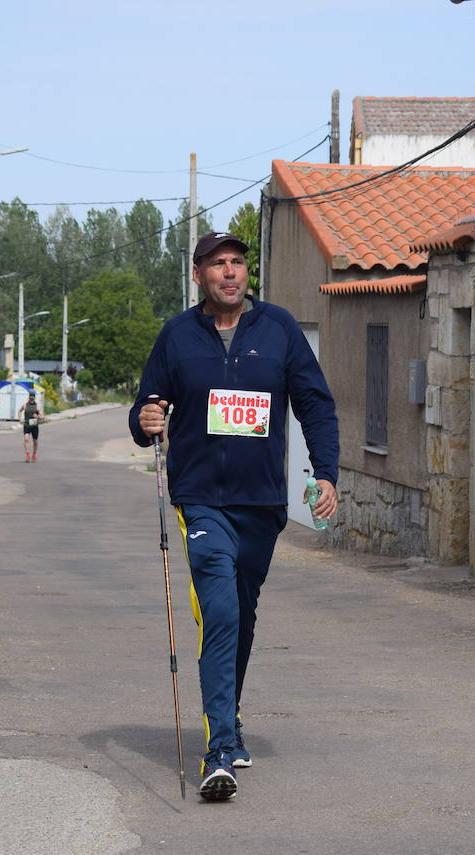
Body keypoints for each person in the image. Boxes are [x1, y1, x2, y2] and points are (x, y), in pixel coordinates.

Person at [129, 231, 339, 801]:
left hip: (261, 502)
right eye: (218, 264)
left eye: (238, 263)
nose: (230, 273)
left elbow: (315, 405)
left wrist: (326, 474)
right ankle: (218, 748)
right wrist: (145, 418)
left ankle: (231, 715)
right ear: (198, 274)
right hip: (199, 498)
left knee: (240, 614)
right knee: (218, 610)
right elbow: (147, 405)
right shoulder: (177, 336)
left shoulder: (279, 330)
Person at [21, 392, 45, 462]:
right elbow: (19, 411)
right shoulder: (25, 405)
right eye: (30, 398)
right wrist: (20, 419)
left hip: (34, 425)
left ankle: (34, 454)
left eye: (32, 398)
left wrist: (37, 416)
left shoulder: (37, 406)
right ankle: (28, 455)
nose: (31, 399)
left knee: (35, 441)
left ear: (34, 398)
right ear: (29, 398)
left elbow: (42, 416)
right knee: (26, 439)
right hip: (27, 425)